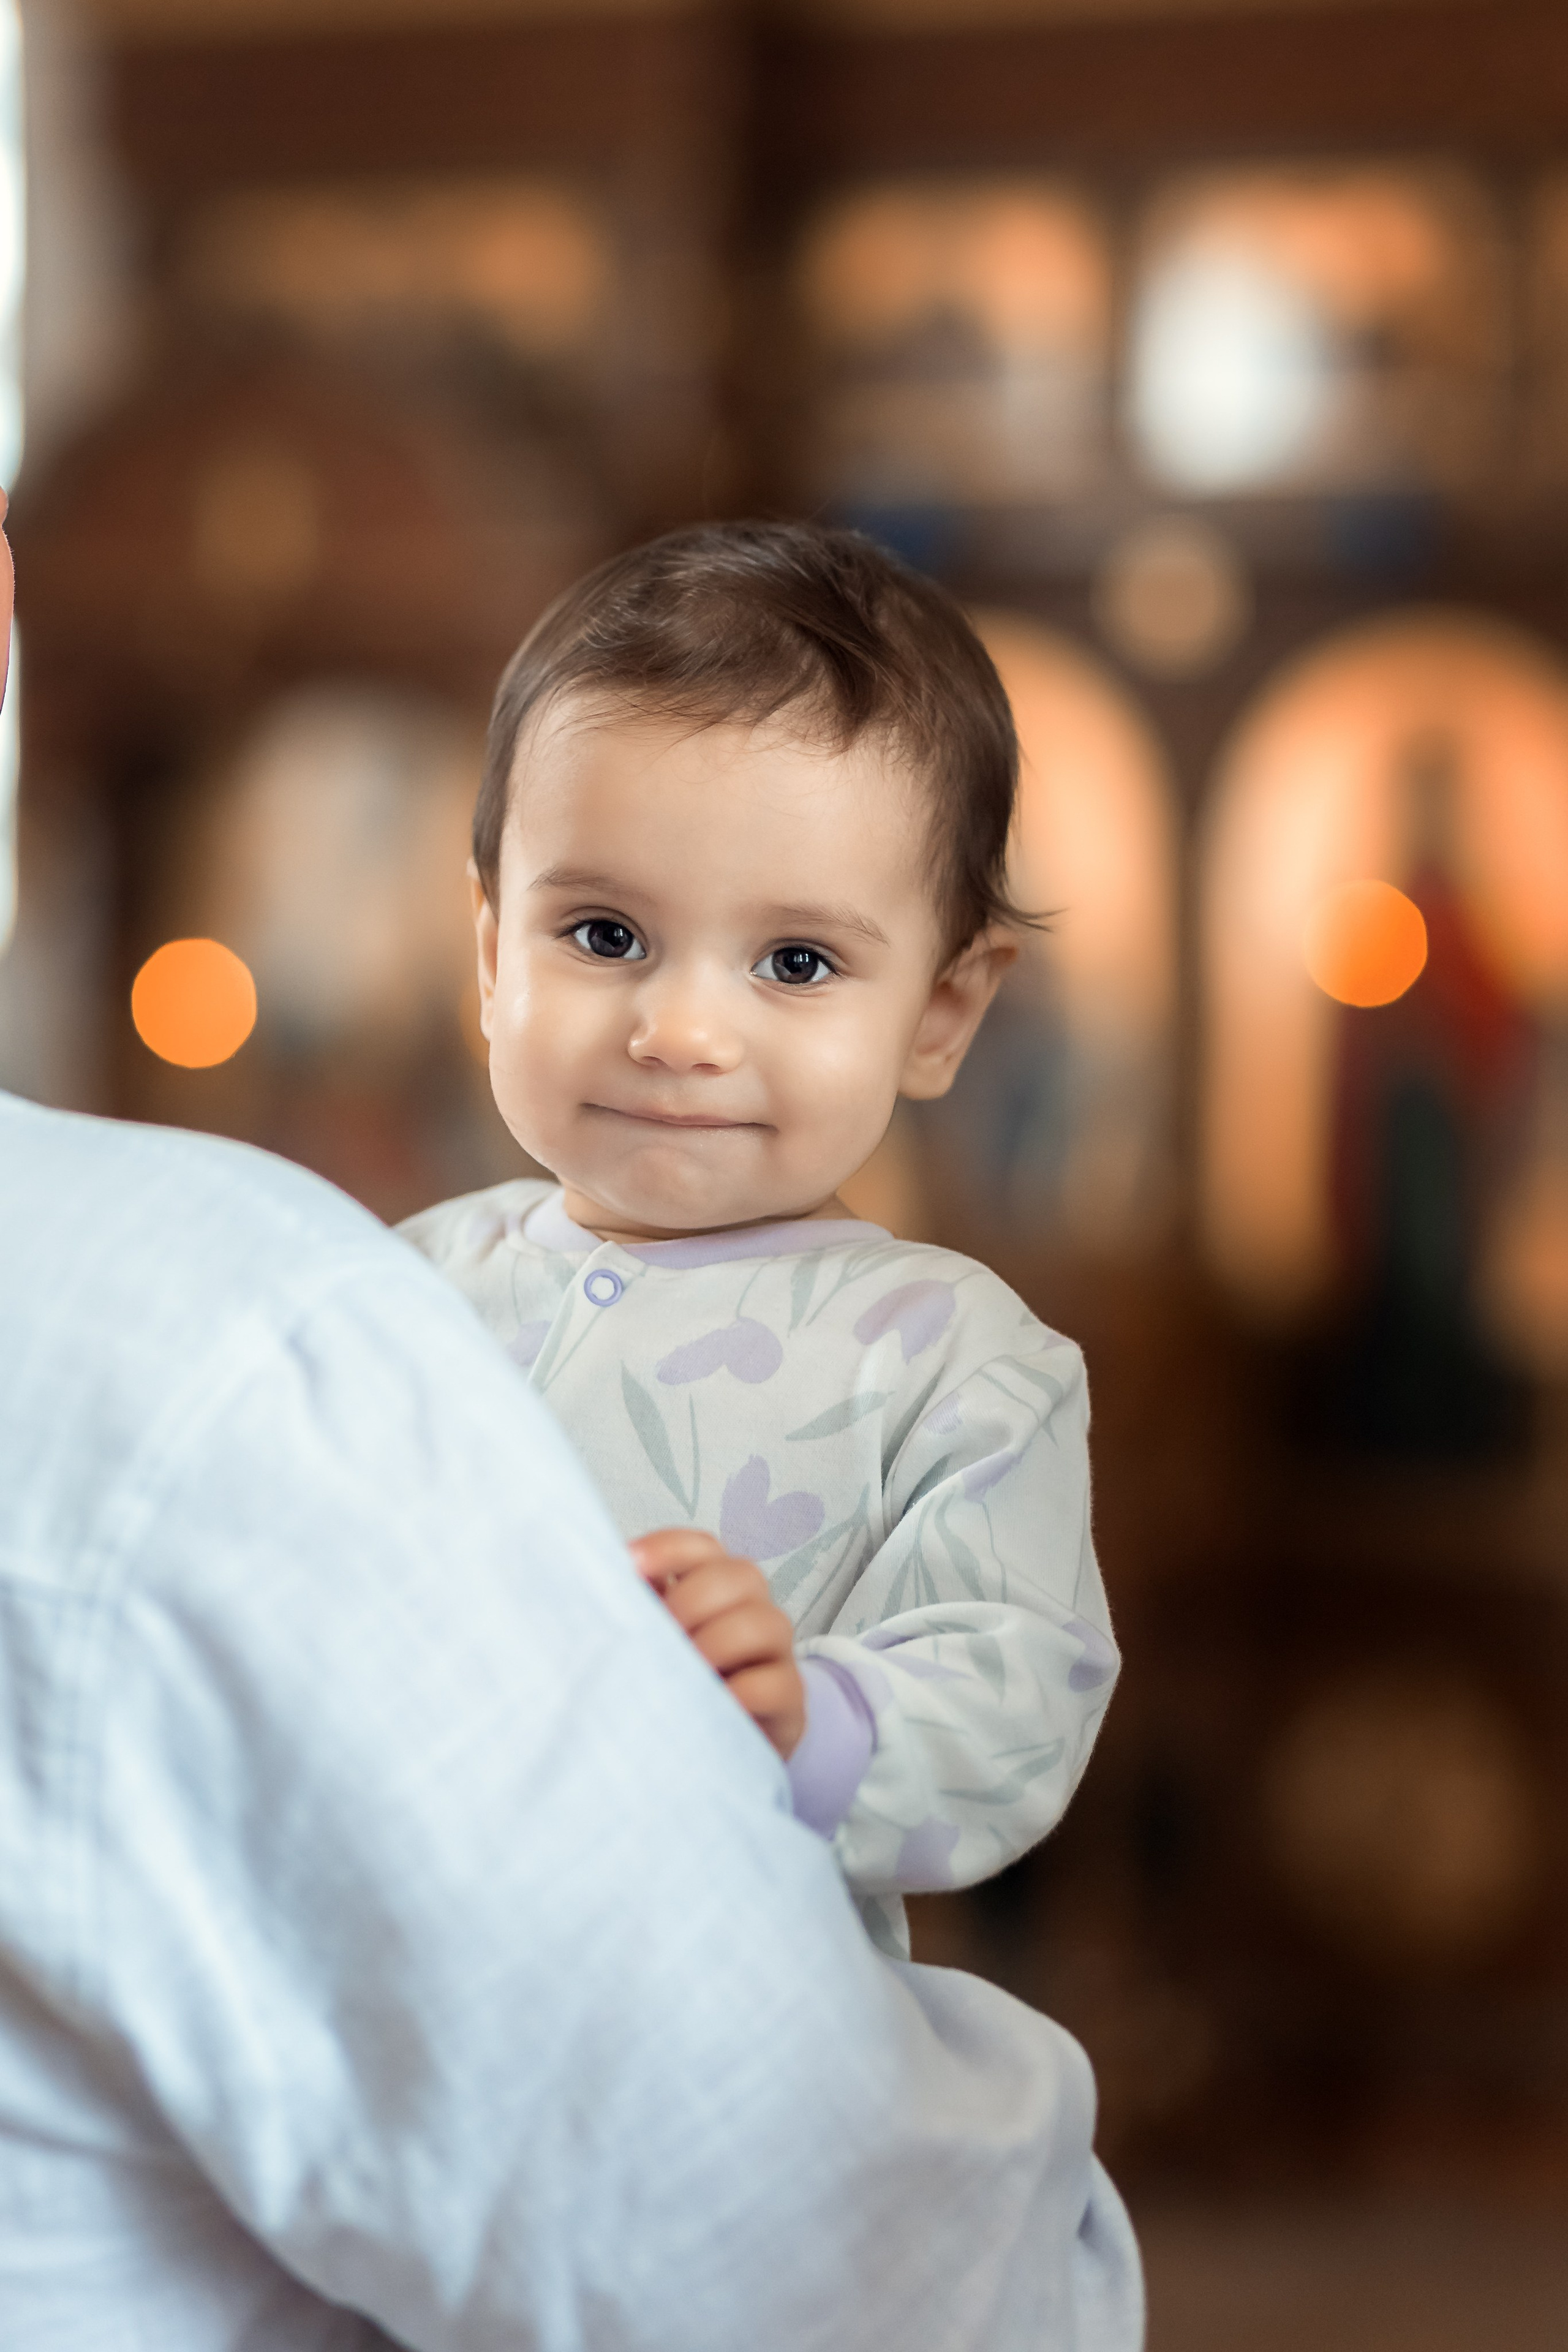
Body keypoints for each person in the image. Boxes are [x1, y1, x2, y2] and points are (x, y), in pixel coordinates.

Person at [402, 521, 1120, 1958]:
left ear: (938, 1014)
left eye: (794, 963)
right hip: (399, 1979)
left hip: (734, 2024)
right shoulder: (391, 1294)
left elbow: (1014, 1698)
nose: (677, 1032)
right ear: (491, 955)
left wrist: (805, 1712)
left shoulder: (950, 1362)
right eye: (602, 935)